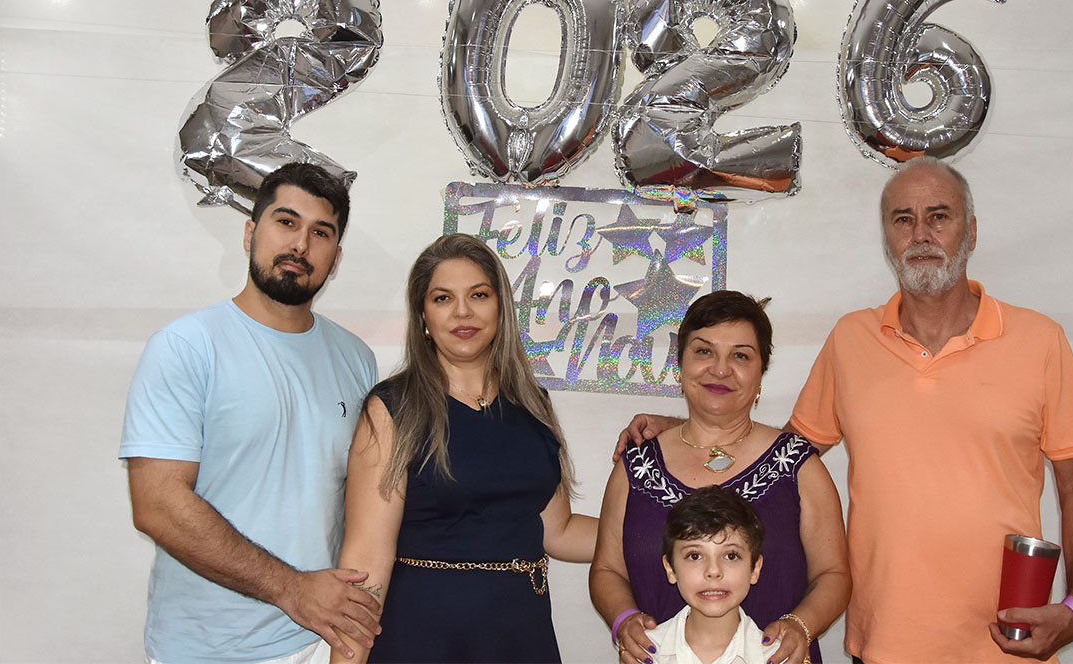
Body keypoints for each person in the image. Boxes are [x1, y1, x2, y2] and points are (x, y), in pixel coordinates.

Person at [621, 159, 1073, 664]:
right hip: (884, 643)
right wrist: (693, 430)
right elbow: (780, 457)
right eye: (903, 219)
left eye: (938, 216)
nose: (920, 234)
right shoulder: (852, 340)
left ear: (972, 231)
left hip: (1006, 645)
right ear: (887, 237)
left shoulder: (1039, 341)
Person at [120, 162, 383, 664]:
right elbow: (156, 504)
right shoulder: (186, 347)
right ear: (249, 233)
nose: (300, 245)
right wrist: (293, 590)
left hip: (320, 640)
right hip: (207, 649)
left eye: (320, 232)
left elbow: (361, 498)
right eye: (286, 222)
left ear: (336, 258)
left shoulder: (356, 359)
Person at [331, 233, 597, 664]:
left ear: (501, 308)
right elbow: (366, 562)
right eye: (442, 298)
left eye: (478, 295)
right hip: (421, 641)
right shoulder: (393, 408)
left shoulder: (533, 405)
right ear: (423, 316)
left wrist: (659, 529)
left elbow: (559, 531)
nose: (462, 312)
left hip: (520, 637)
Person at [592, 291, 850, 664]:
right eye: (704, 351)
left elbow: (834, 573)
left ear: (760, 373)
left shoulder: (798, 465)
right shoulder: (636, 466)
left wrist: (801, 626)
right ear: (680, 364)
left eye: (740, 356)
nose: (720, 369)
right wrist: (624, 620)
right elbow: (606, 569)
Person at [650, 486, 780, 664]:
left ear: (755, 569)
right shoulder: (644, 653)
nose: (713, 571)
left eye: (731, 556)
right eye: (695, 556)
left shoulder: (778, 657)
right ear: (670, 569)